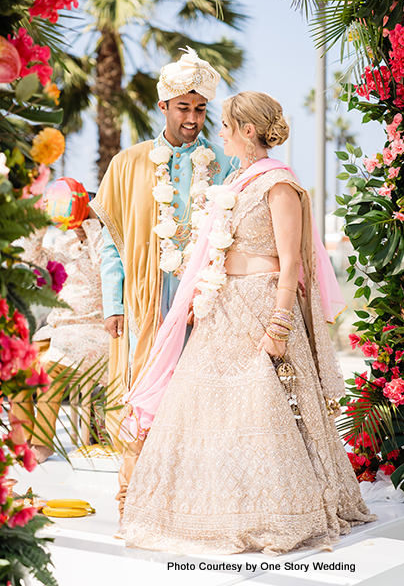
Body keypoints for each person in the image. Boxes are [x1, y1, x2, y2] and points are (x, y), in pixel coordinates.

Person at [118, 91, 377, 555]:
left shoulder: (278, 184)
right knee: (203, 407)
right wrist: (202, 295)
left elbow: (292, 260)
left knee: (264, 406)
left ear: (248, 131)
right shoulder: (237, 180)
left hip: (261, 305)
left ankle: (279, 509)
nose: (217, 132)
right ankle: (206, 507)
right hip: (222, 306)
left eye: (224, 125)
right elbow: (216, 249)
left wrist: (279, 323)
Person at [90, 47, 236, 515]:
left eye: (200, 109)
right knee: (144, 393)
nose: (192, 118)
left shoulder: (222, 165)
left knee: (199, 395)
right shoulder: (129, 163)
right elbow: (109, 240)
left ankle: (190, 500)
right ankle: (131, 499)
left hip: (203, 302)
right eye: (183, 107)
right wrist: (114, 302)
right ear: (163, 107)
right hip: (145, 301)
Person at [11, 194, 109, 463]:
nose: (74, 224)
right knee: (17, 370)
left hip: (93, 330)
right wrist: (41, 221)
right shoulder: (63, 243)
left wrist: (91, 223)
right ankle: (20, 443)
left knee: (47, 373)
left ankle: (43, 443)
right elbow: (32, 258)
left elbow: (106, 265)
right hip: (57, 331)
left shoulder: (105, 244)